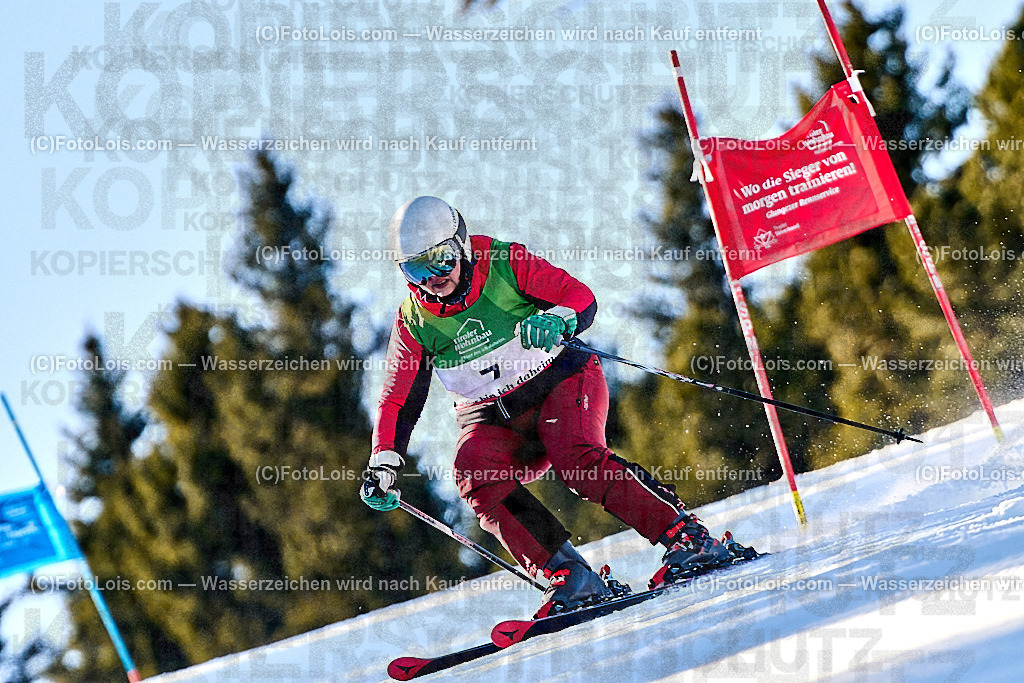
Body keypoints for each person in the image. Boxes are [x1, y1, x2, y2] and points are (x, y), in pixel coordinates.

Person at [361, 196, 754, 617]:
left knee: (575, 457)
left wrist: (559, 318)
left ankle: (686, 536)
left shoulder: (504, 263)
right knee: (473, 471)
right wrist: (383, 463)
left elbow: (579, 296)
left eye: (441, 261)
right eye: (416, 270)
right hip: (495, 420)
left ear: (461, 245)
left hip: (560, 383)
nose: (433, 279)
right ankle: (569, 574)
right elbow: (398, 399)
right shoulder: (414, 321)